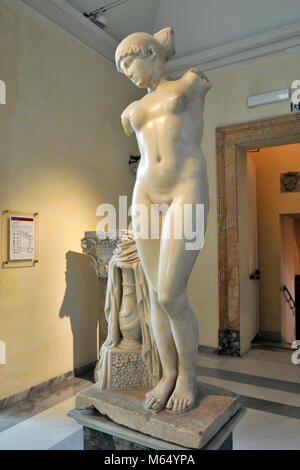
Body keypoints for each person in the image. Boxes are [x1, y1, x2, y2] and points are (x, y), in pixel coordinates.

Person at [115, 27, 212, 413]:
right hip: (145, 193)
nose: (127, 73)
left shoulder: (190, 83)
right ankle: (168, 373)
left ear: (151, 52)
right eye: (121, 69)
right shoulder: (130, 111)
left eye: (129, 62)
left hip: (185, 187)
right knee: (154, 293)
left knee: (171, 293)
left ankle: (188, 375)